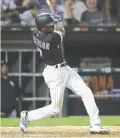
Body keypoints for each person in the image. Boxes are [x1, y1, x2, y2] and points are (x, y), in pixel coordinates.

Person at [20, 13, 109, 134]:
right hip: (54, 74)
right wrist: (58, 21)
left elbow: (47, 25)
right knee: (55, 109)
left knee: (86, 92)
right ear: (43, 28)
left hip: (65, 69)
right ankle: (27, 116)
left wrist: (51, 18)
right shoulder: (52, 38)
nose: (51, 26)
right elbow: (61, 30)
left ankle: (96, 124)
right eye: (49, 25)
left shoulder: (34, 32)